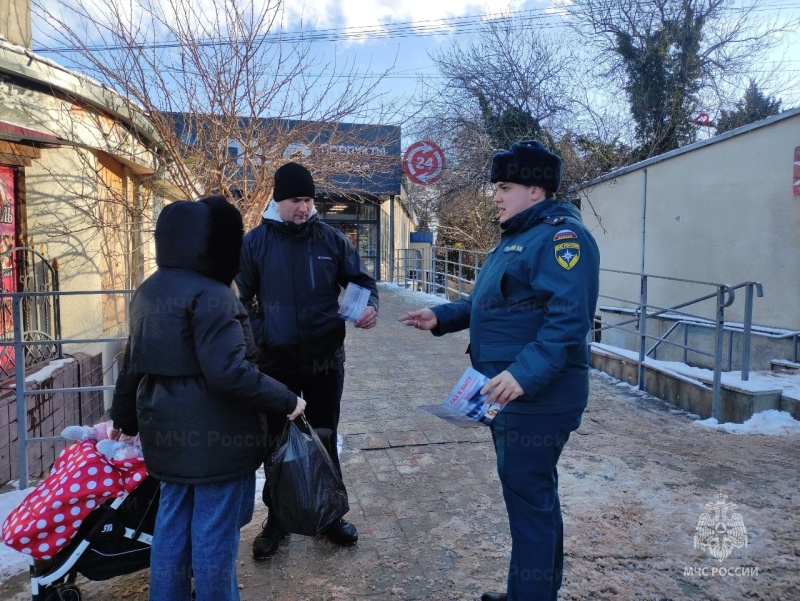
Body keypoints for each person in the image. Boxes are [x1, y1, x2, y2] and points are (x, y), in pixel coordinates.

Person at [399, 141, 600, 601]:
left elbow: (568, 318)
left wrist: (525, 375)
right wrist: (442, 317)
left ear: (536, 189)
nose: (495, 196)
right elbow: (486, 302)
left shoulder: (560, 238)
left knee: (529, 504)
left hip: (536, 398)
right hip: (508, 394)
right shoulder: (516, 239)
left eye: (504, 187)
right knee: (534, 501)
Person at [110, 195, 306, 601]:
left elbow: (132, 360)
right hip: (219, 440)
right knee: (214, 537)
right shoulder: (214, 295)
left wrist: (125, 416)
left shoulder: (148, 291)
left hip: (165, 437)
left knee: (171, 529)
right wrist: (287, 400)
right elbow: (230, 372)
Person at [236, 161, 379, 559]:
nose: (304, 207)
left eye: (309, 199)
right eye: (296, 200)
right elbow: (239, 302)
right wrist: (265, 335)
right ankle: (277, 520)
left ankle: (328, 516)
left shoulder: (331, 240)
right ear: (278, 201)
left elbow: (362, 282)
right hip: (275, 365)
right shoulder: (255, 244)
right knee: (278, 443)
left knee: (324, 436)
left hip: (325, 362)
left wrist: (368, 308)